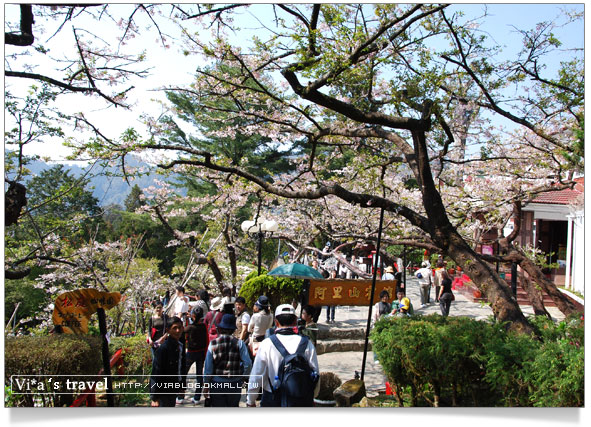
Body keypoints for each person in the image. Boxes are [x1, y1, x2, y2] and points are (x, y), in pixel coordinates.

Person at [246, 304, 320, 407]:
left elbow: (257, 375)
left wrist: (251, 400)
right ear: (295, 321)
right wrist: (312, 395)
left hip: (272, 399)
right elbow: (315, 373)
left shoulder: (267, 344)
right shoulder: (306, 343)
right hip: (300, 399)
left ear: (276, 322)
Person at [203, 313, 252, 407]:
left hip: (217, 383)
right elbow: (248, 363)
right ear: (233, 330)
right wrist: (243, 377)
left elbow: (208, 367)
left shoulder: (213, 343)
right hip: (234, 383)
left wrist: (206, 383)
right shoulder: (240, 343)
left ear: (220, 328)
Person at [150, 316, 186, 407]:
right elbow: (156, 373)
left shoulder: (180, 346)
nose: (178, 331)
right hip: (164, 390)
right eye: (174, 328)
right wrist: (154, 397)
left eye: (180, 327)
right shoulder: (164, 349)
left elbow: (181, 368)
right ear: (168, 330)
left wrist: (182, 386)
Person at [184, 307, 208, 404]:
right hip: (201, 353)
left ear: (193, 316)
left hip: (191, 353)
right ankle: (197, 397)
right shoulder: (203, 326)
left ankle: (180, 396)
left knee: (183, 373)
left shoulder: (190, 327)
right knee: (199, 376)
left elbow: (182, 332)